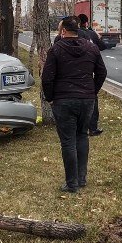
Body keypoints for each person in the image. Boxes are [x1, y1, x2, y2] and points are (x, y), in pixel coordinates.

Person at [41, 16, 107, 193]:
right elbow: (102, 72)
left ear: (63, 31)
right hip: (86, 100)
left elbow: (47, 77)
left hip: (63, 100)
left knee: (68, 141)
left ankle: (72, 183)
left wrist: (50, 98)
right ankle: (81, 178)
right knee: (82, 136)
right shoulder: (91, 47)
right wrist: (92, 91)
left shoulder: (56, 50)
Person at [78, 14, 104, 135]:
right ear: (86, 23)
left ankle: (78, 125)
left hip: (74, 71)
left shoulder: (73, 34)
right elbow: (102, 47)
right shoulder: (91, 34)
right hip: (89, 70)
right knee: (92, 100)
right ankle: (92, 127)